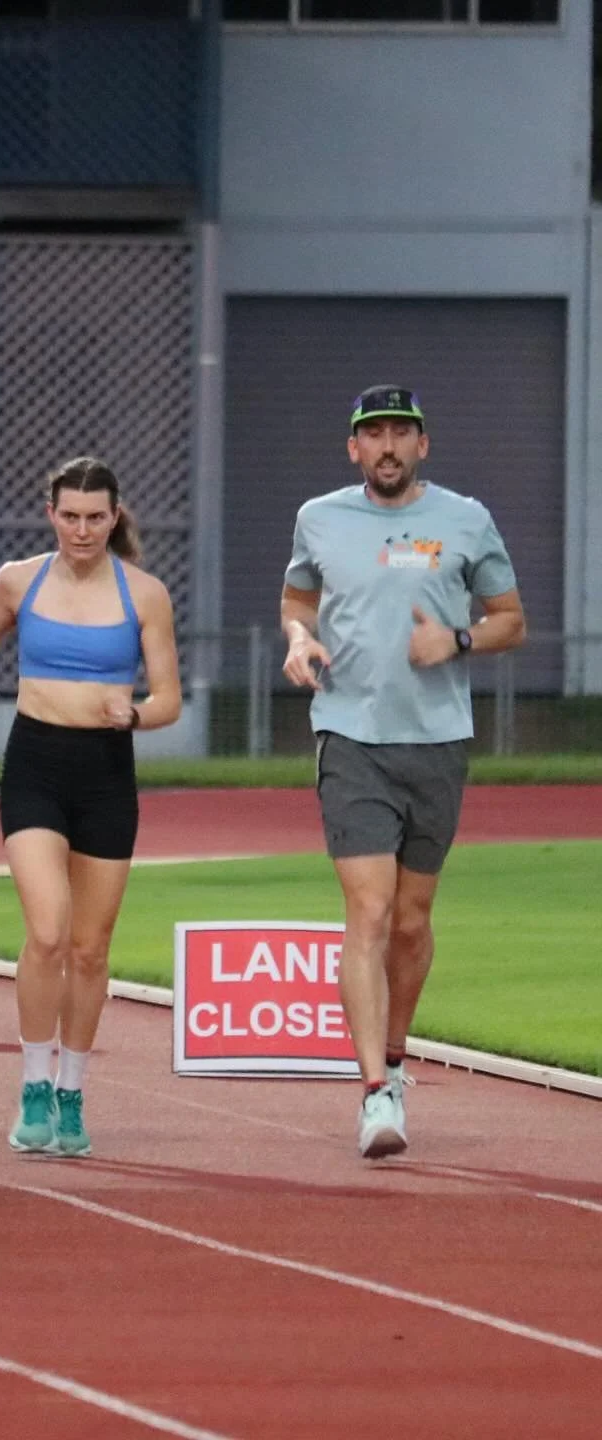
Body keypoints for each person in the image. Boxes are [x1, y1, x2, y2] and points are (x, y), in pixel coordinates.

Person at [281, 384, 526, 1160]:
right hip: (350, 733)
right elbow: (297, 597)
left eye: (401, 433)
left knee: (413, 922)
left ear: (424, 444)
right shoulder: (320, 517)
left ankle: (393, 1056)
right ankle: (373, 1094)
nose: (387, 446)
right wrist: (297, 639)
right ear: (354, 449)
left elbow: (511, 621)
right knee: (371, 911)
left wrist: (454, 642)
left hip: (437, 741)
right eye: (373, 434)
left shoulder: (466, 519)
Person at [0, 458, 181, 1156]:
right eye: (69, 516)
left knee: (91, 948)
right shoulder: (20, 580)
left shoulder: (145, 594)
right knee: (47, 933)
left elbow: (168, 697)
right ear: (51, 513)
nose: (82, 529)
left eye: (95, 517)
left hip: (106, 771)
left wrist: (134, 715)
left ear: (116, 516)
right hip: (35, 765)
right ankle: (34, 1084)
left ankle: (73, 1092)